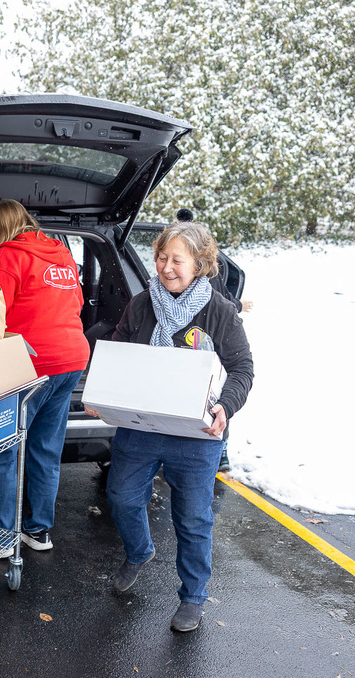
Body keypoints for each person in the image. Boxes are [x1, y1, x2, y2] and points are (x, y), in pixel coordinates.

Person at [87, 219, 253, 632]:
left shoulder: (219, 313)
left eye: (176, 260)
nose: (166, 267)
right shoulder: (142, 304)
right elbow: (122, 356)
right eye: (161, 257)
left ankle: (193, 596)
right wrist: (106, 395)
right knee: (122, 498)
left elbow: (242, 369)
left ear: (200, 263)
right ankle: (139, 551)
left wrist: (225, 408)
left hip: (196, 438)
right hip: (141, 430)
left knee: (193, 519)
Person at [0, 199, 89, 554]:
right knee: (45, 446)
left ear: (6, 226)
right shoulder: (61, 254)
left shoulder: (8, 257)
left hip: (29, 365)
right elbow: (78, 303)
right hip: (71, 359)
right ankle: (38, 531)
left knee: (3, 448)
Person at [174, 208, 252, 472]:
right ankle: (222, 451)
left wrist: (235, 306)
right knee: (213, 394)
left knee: (215, 395)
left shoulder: (206, 278)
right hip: (205, 345)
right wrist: (238, 304)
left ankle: (220, 449)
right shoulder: (210, 271)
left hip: (204, 343)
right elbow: (227, 299)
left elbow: (223, 302)